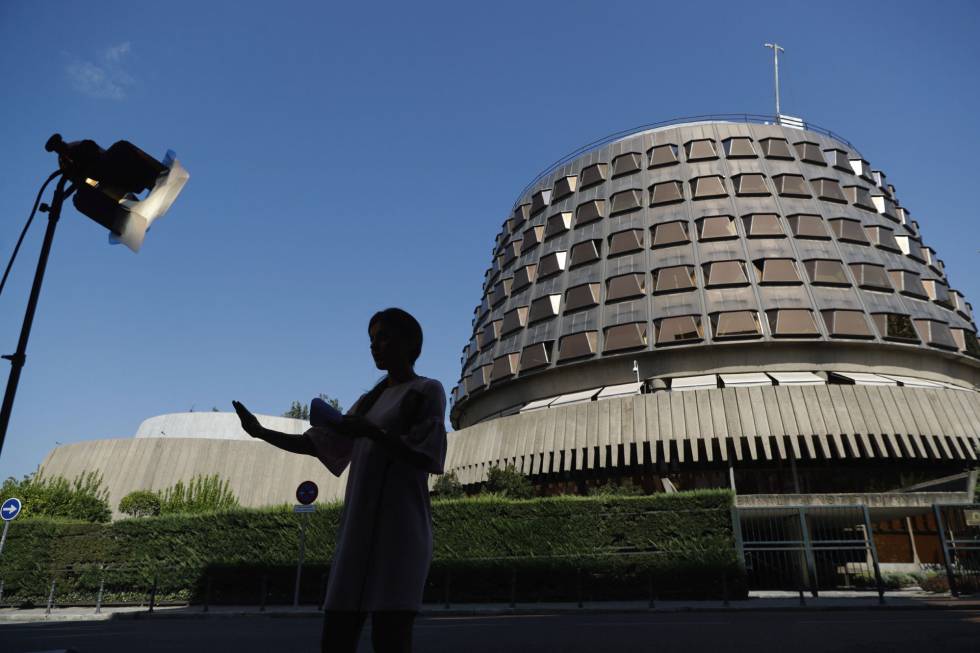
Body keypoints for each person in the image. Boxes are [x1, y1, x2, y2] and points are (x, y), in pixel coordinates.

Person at [232, 308, 447, 653]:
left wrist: (372, 433)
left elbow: (429, 456)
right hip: (357, 533)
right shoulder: (366, 402)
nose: (375, 346)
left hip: (400, 531)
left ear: (410, 343)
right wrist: (260, 433)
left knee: (391, 637)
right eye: (372, 340)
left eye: (384, 337)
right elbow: (318, 443)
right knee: (336, 634)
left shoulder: (425, 391)